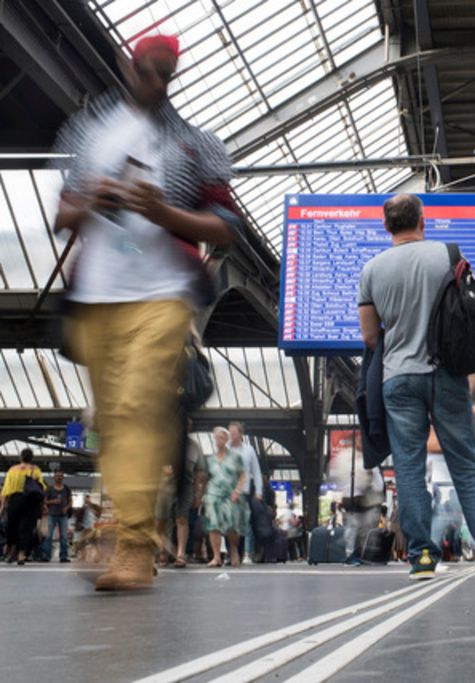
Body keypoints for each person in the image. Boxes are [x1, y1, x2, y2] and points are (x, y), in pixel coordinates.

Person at [52, 34, 238, 591]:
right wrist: (93, 201)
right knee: (114, 422)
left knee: (136, 407)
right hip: (97, 297)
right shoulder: (88, 132)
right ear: (126, 64)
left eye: (167, 74)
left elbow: (226, 228)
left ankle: (133, 545)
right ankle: (125, 533)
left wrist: (164, 213)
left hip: (164, 293)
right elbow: (63, 216)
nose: (158, 82)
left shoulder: (194, 144)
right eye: (149, 70)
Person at [357, 193, 475, 580]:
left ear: (386, 225)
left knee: (409, 469)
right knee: (465, 465)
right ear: (422, 221)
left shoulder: (371, 270)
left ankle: (422, 557)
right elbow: (472, 312)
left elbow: (370, 336)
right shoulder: (448, 255)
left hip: (398, 379)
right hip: (445, 374)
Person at [198, 427, 247, 567]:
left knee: (232, 525)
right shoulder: (210, 459)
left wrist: (238, 490)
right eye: (216, 437)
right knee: (213, 525)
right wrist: (201, 495)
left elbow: (243, 475)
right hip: (213, 494)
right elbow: (206, 479)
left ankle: (233, 549)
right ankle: (216, 556)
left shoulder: (235, 457)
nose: (218, 440)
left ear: (226, 439)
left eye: (221, 437)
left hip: (230, 494)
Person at [154, 433, 202, 568]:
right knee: (160, 522)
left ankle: (180, 555)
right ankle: (163, 550)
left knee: (182, 519)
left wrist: (197, 494)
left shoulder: (194, 446)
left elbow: (199, 472)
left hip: (185, 487)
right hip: (164, 488)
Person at [0, 449, 46, 565]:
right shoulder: (35, 470)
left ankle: (11, 553)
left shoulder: (12, 470)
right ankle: (21, 554)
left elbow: (6, 488)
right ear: (31, 458)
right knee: (26, 528)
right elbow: (41, 488)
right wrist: (43, 504)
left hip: (14, 501)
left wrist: (3, 505)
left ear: (20, 457)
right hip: (30, 502)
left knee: (12, 527)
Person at [228, 422, 262, 565]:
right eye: (230, 433)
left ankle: (247, 553)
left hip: (245, 491)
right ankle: (232, 553)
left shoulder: (249, 450)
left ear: (241, 434)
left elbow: (256, 471)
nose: (231, 436)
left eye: (234, 433)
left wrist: (259, 491)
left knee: (245, 523)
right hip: (228, 492)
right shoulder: (225, 449)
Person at [42, 471, 73, 563]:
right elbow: (45, 502)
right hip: (52, 515)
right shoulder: (49, 489)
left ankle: (63, 556)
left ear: (63, 477)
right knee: (49, 536)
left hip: (63, 516)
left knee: (64, 536)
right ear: (53, 478)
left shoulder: (66, 488)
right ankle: (46, 556)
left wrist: (67, 508)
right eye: (57, 476)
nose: (59, 477)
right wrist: (53, 502)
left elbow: (70, 501)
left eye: (60, 476)